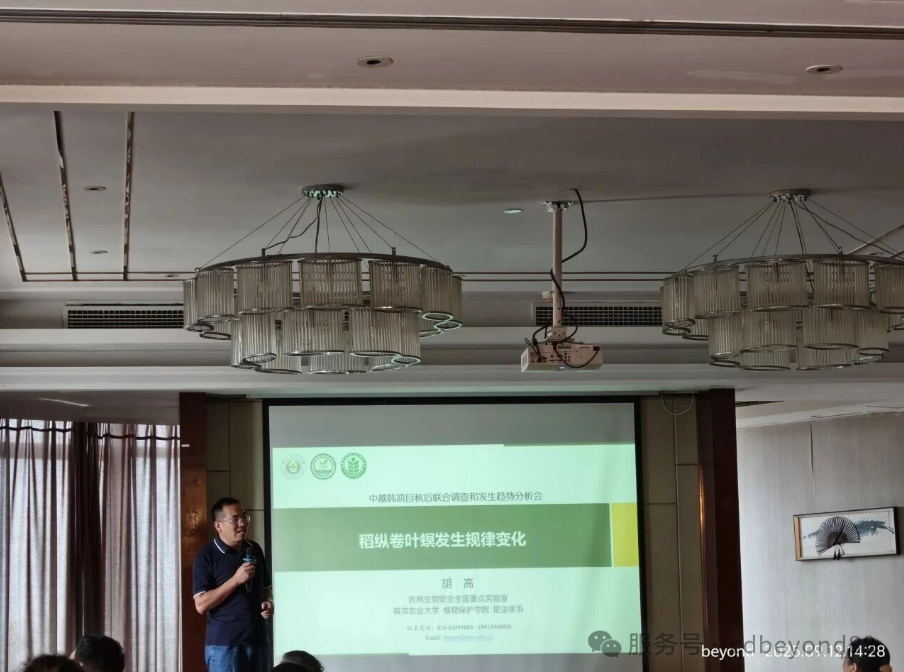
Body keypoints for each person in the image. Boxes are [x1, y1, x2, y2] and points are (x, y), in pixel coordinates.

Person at [193, 497, 274, 672]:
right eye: (235, 519)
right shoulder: (206, 556)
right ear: (218, 526)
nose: (242, 523)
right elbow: (201, 605)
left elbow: (266, 588)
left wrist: (269, 602)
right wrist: (235, 580)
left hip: (258, 641)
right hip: (225, 645)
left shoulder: (254, 549)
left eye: (244, 517)